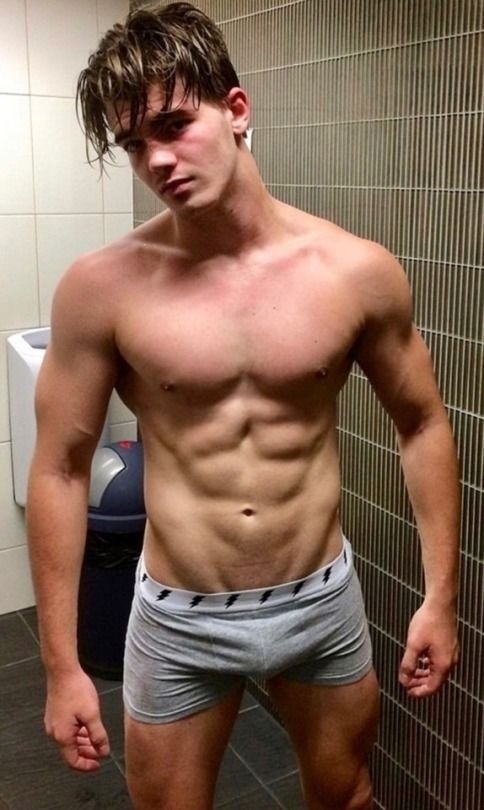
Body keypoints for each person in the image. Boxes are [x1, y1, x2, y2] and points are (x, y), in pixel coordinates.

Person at [26, 3, 460, 809]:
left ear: (235, 108)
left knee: (346, 797)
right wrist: (62, 666)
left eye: (173, 125)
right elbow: (59, 468)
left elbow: (423, 423)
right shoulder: (101, 288)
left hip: (318, 600)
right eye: (134, 144)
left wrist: (440, 597)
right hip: (180, 617)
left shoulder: (354, 272)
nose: (157, 159)